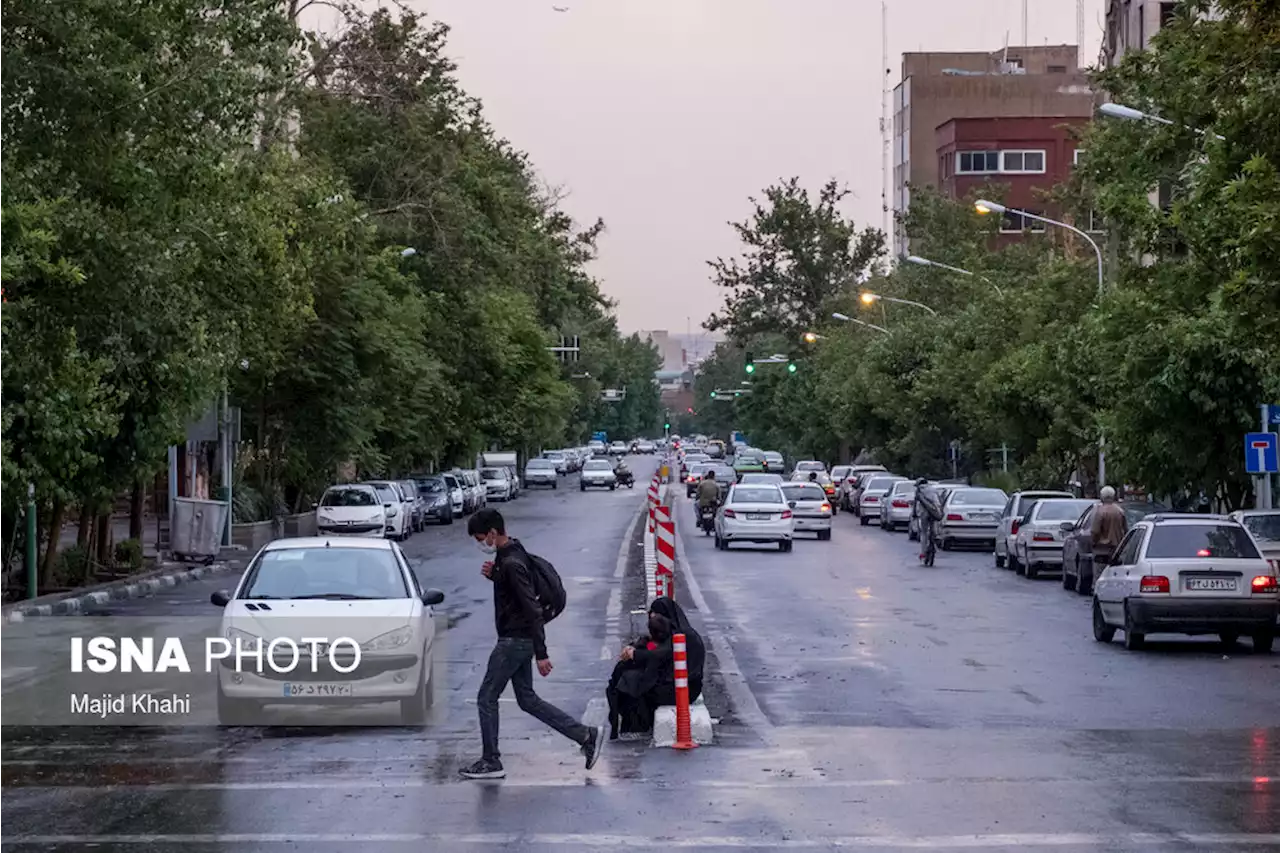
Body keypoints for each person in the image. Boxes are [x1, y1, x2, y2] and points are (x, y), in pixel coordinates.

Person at [461, 508, 604, 780]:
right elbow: (516, 596)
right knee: (527, 700)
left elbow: (532, 609)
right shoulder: (510, 555)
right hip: (518, 639)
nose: (480, 544)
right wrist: (496, 577)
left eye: (481, 538)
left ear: (493, 533)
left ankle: (491, 761)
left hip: (514, 641)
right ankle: (585, 735)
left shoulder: (512, 563)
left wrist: (542, 653)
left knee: (486, 697)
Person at [608, 597, 705, 739]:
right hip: (671, 682)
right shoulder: (673, 631)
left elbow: (661, 654)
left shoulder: (684, 635)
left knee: (632, 681)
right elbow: (655, 647)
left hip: (683, 689)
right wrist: (635, 648)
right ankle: (628, 724)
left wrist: (636, 654)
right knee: (624, 672)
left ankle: (637, 726)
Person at [1090, 485, 1128, 570]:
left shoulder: (1100, 512)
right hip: (1117, 550)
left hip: (1102, 550)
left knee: (1099, 576)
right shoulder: (1120, 511)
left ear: (1102, 497)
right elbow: (1125, 530)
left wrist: (1093, 542)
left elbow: (1095, 531)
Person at [913, 478, 942, 558]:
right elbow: (939, 502)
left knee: (924, 532)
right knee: (935, 525)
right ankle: (936, 536)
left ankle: (923, 552)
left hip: (924, 513)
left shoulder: (919, 491)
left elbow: (916, 504)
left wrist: (914, 514)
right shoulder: (933, 489)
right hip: (934, 512)